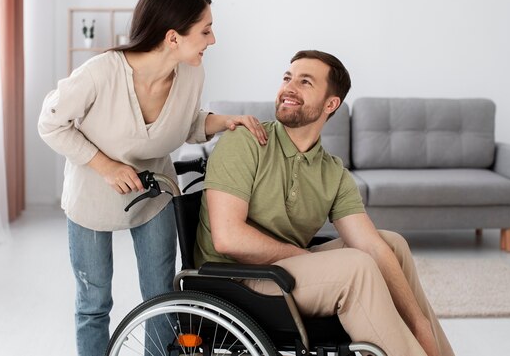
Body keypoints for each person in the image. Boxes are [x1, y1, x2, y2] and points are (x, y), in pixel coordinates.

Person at [38, 0, 267, 356]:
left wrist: (225, 121)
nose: (213, 40)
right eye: (206, 30)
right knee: (94, 303)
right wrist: (106, 165)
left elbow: (186, 122)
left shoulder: (192, 73)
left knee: (162, 297)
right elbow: (50, 123)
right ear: (173, 37)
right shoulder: (99, 73)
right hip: (93, 197)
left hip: (154, 192)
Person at [194, 50, 455, 356]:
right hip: (236, 278)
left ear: (331, 104)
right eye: (287, 78)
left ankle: (431, 346)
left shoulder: (332, 171)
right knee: (356, 268)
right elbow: (228, 239)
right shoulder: (246, 141)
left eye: (305, 82)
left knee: (391, 245)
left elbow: (370, 245)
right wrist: (302, 256)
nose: (289, 88)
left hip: (286, 273)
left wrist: (418, 322)